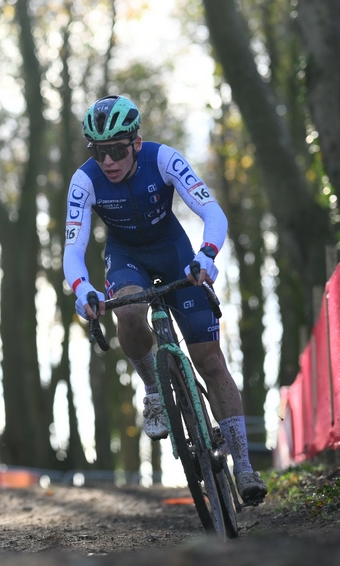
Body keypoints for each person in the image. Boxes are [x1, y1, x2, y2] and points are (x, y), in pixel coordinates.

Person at [62, 94, 267, 503]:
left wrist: (206, 254)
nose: (108, 162)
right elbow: (72, 250)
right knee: (129, 311)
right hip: (126, 259)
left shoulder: (163, 159)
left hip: (175, 254)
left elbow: (213, 212)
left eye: (117, 150)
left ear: (136, 143)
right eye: (99, 152)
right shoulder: (84, 181)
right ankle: (154, 388)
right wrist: (83, 289)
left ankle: (244, 465)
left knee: (210, 360)